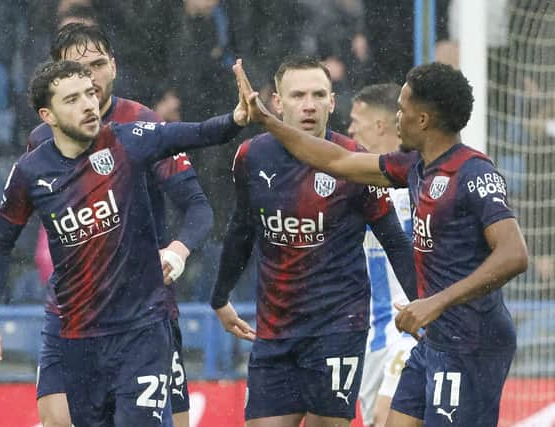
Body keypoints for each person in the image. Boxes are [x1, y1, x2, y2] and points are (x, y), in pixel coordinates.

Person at [237, 61, 528, 427]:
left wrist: (435, 302)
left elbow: (515, 255)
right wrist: (267, 121)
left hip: (472, 339)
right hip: (436, 336)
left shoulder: (474, 174)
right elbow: (339, 160)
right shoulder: (414, 167)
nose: (395, 120)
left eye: (402, 111)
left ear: (422, 120)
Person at [0, 59, 248, 426]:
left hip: (142, 330)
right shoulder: (30, 172)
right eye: (72, 99)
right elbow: (0, 243)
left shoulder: (126, 140)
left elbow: (197, 133)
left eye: (90, 94)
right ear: (48, 115)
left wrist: (237, 118)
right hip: (79, 338)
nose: (88, 104)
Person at [211, 56, 417, 427]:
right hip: (275, 331)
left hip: (338, 326)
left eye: (319, 94)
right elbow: (241, 229)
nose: (309, 104)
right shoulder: (251, 156)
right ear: (277, 103)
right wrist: (220, 297)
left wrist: (425, 302)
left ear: (332, 102)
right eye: (299, 95)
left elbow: (395, 241)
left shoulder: (355, 161)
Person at [26, 23, 212, 427]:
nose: (90, 77)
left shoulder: (143, 123)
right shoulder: (41, 139)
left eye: (97, 64)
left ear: (114, 65)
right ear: (55, 76)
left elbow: (198, 207)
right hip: (73, 313)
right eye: (77, 68)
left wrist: (177, 251)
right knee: (57, 421)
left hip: (143, 313)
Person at [347, 83, 418, 427]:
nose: (349, 129)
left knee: (389, 416)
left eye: (355, 119)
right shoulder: (351, 183)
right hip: (370, 339)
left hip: (411, 327)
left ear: (380, 126)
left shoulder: (424, 178)